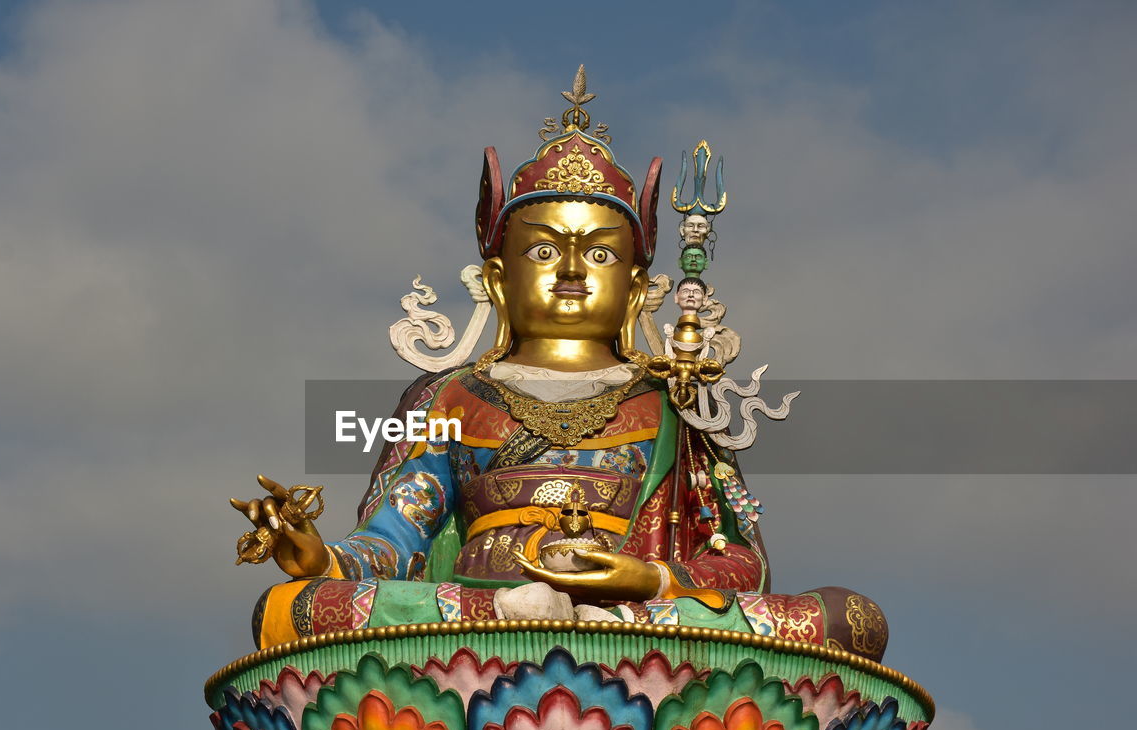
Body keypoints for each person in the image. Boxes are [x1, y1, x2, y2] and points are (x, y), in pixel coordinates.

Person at [231, 85, 889, 662]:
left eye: (599, 251)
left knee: (848, 620)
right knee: (295, 606)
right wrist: (317, 558)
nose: (572, 271)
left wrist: (644, 582)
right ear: (498, 278)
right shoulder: (452, 397)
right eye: (544, 248)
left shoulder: (675, 403)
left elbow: (742, 564)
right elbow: (397, 535)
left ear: (635, 286)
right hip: (481, 615)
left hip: (640, 623)